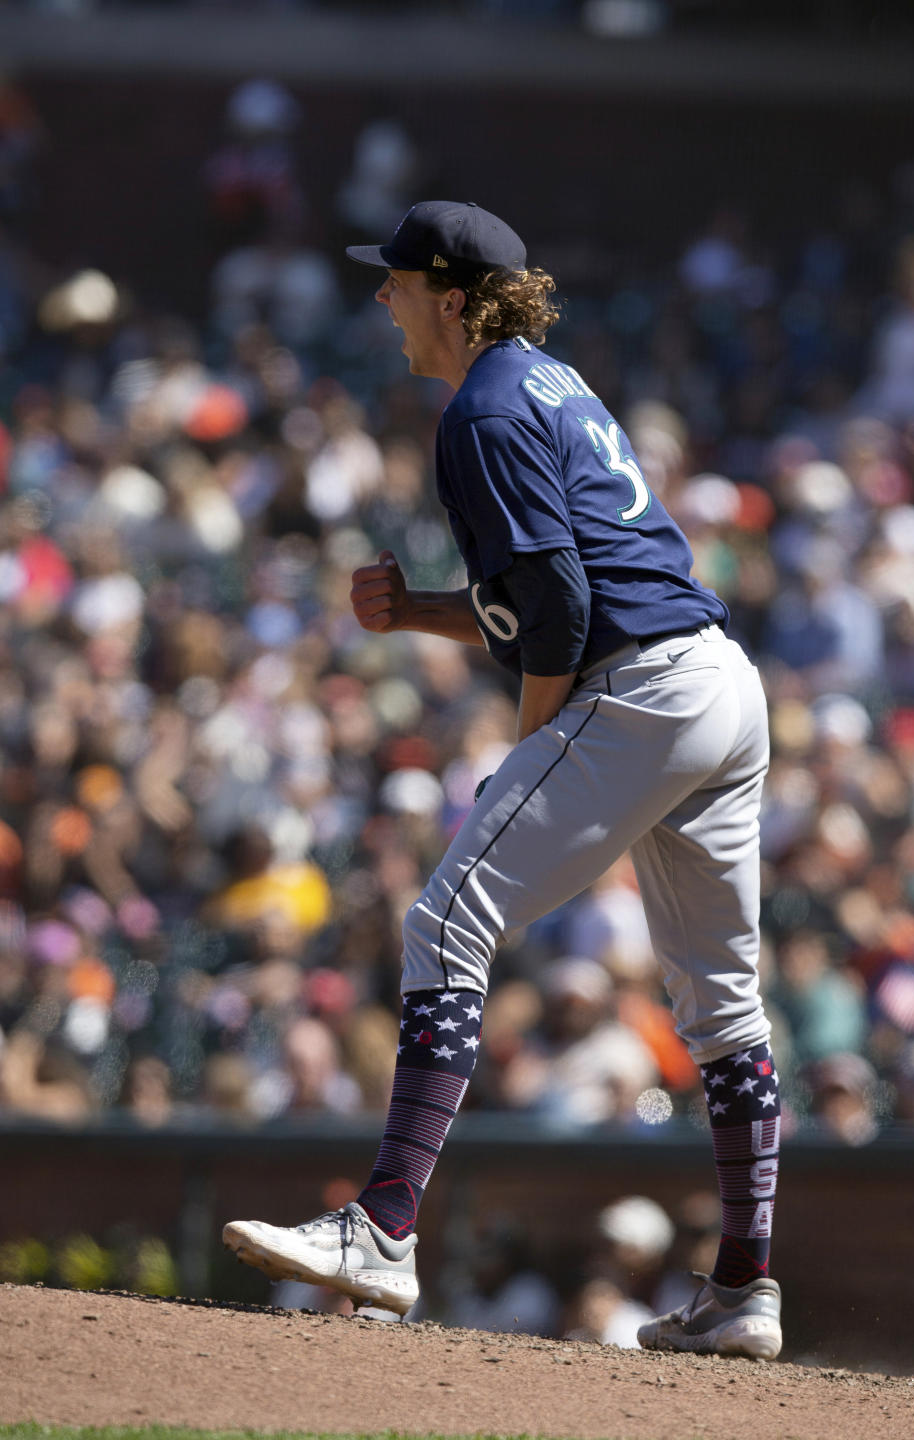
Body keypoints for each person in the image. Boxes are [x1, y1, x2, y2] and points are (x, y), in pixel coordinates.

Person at [223, 200, 783, 1360]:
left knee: (443, 920)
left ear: (454, 294)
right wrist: (425, 612)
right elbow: (563, 591)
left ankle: (381, 1227)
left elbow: (564, 616)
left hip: (643, 690)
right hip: (720, 685)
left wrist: (530, 747)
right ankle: (746, 1289)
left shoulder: (477, 410)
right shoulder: (551, 381)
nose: (383, 297)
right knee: (721, 1007)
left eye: (398, 280)